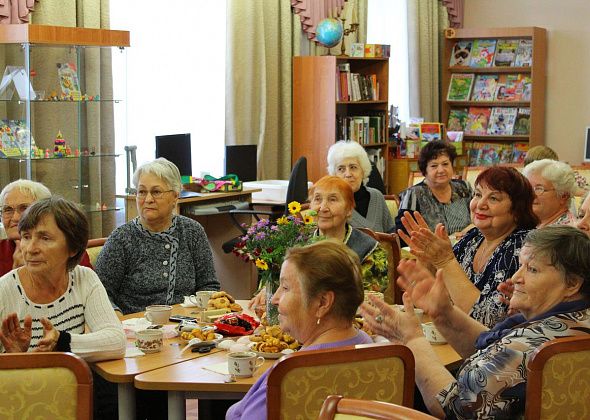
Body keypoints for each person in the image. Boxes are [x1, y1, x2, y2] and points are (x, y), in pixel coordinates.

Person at [360, 225, 590, 419]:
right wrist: (444, 313)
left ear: (572, 284)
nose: (516, 277)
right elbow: (494, 357)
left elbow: (454, 406)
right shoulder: (576, 321)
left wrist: (411, 339)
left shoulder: (526, 347)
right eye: (520, 265)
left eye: (532, 269)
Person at [227, 240, 373, 420]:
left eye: (285, 288)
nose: (275, 299)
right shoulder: (372, 349)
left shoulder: (292, 377)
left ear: (322, 303)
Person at [399, 166, 539, 327]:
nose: (480, 204)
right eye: (478, 194)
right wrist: (428, 262)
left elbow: (486, 320)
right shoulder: (473, 238)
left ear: (517, 210)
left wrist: (445, 261)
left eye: (494, 198)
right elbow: (443, 300)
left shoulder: (524, 247)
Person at [0, 197, 126, 362]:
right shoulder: (4, 290)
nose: (31, 249)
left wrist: (60, 341)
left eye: (45, 238)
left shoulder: (83, 278)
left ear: (73, 247)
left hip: (74, 385)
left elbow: (116, 341)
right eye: (26, 237)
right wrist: (13, 358)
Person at [95, 158, 220, 315]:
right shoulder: (121, 239)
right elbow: (99, 293)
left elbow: (209, 285)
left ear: (175, 196)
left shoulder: (192, 231)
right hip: (136, 327)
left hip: (187, 324)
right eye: (141, 192)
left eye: (156, 192)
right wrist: (118, 319)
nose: (148, 199)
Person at [310, 175, 389, 292]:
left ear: (349, 210)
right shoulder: (298, 243)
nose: (323, 208)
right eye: (317, 199)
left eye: (332, 200)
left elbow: (368, 302)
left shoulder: (370, 250)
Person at [0, 179, 92, 276]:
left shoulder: (66, 248)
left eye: (25, 208)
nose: (15, 218)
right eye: (8, 210)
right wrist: (17, 276)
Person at [396, 140, 473, 241]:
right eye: (434, 166)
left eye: (445, 164)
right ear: (425, 171)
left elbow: (478, 221)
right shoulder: (413, 195)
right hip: (430, 253)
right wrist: (452, 238)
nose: (441, 170)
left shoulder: (463, 188)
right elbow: (403, 237)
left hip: (466, 248)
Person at [327, 140, 394, 232]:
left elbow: (391, 234)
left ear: (363, 171)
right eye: (341, 169)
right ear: (334, 175)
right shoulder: (330, 204)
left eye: (353, 167)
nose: (348, 174)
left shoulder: (377, 197)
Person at [522, 158, 577, 227]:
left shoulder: (565, 233)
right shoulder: (534, 223)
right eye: (528, 187)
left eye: (539, 189)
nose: (530, 194)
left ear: (563, 196)